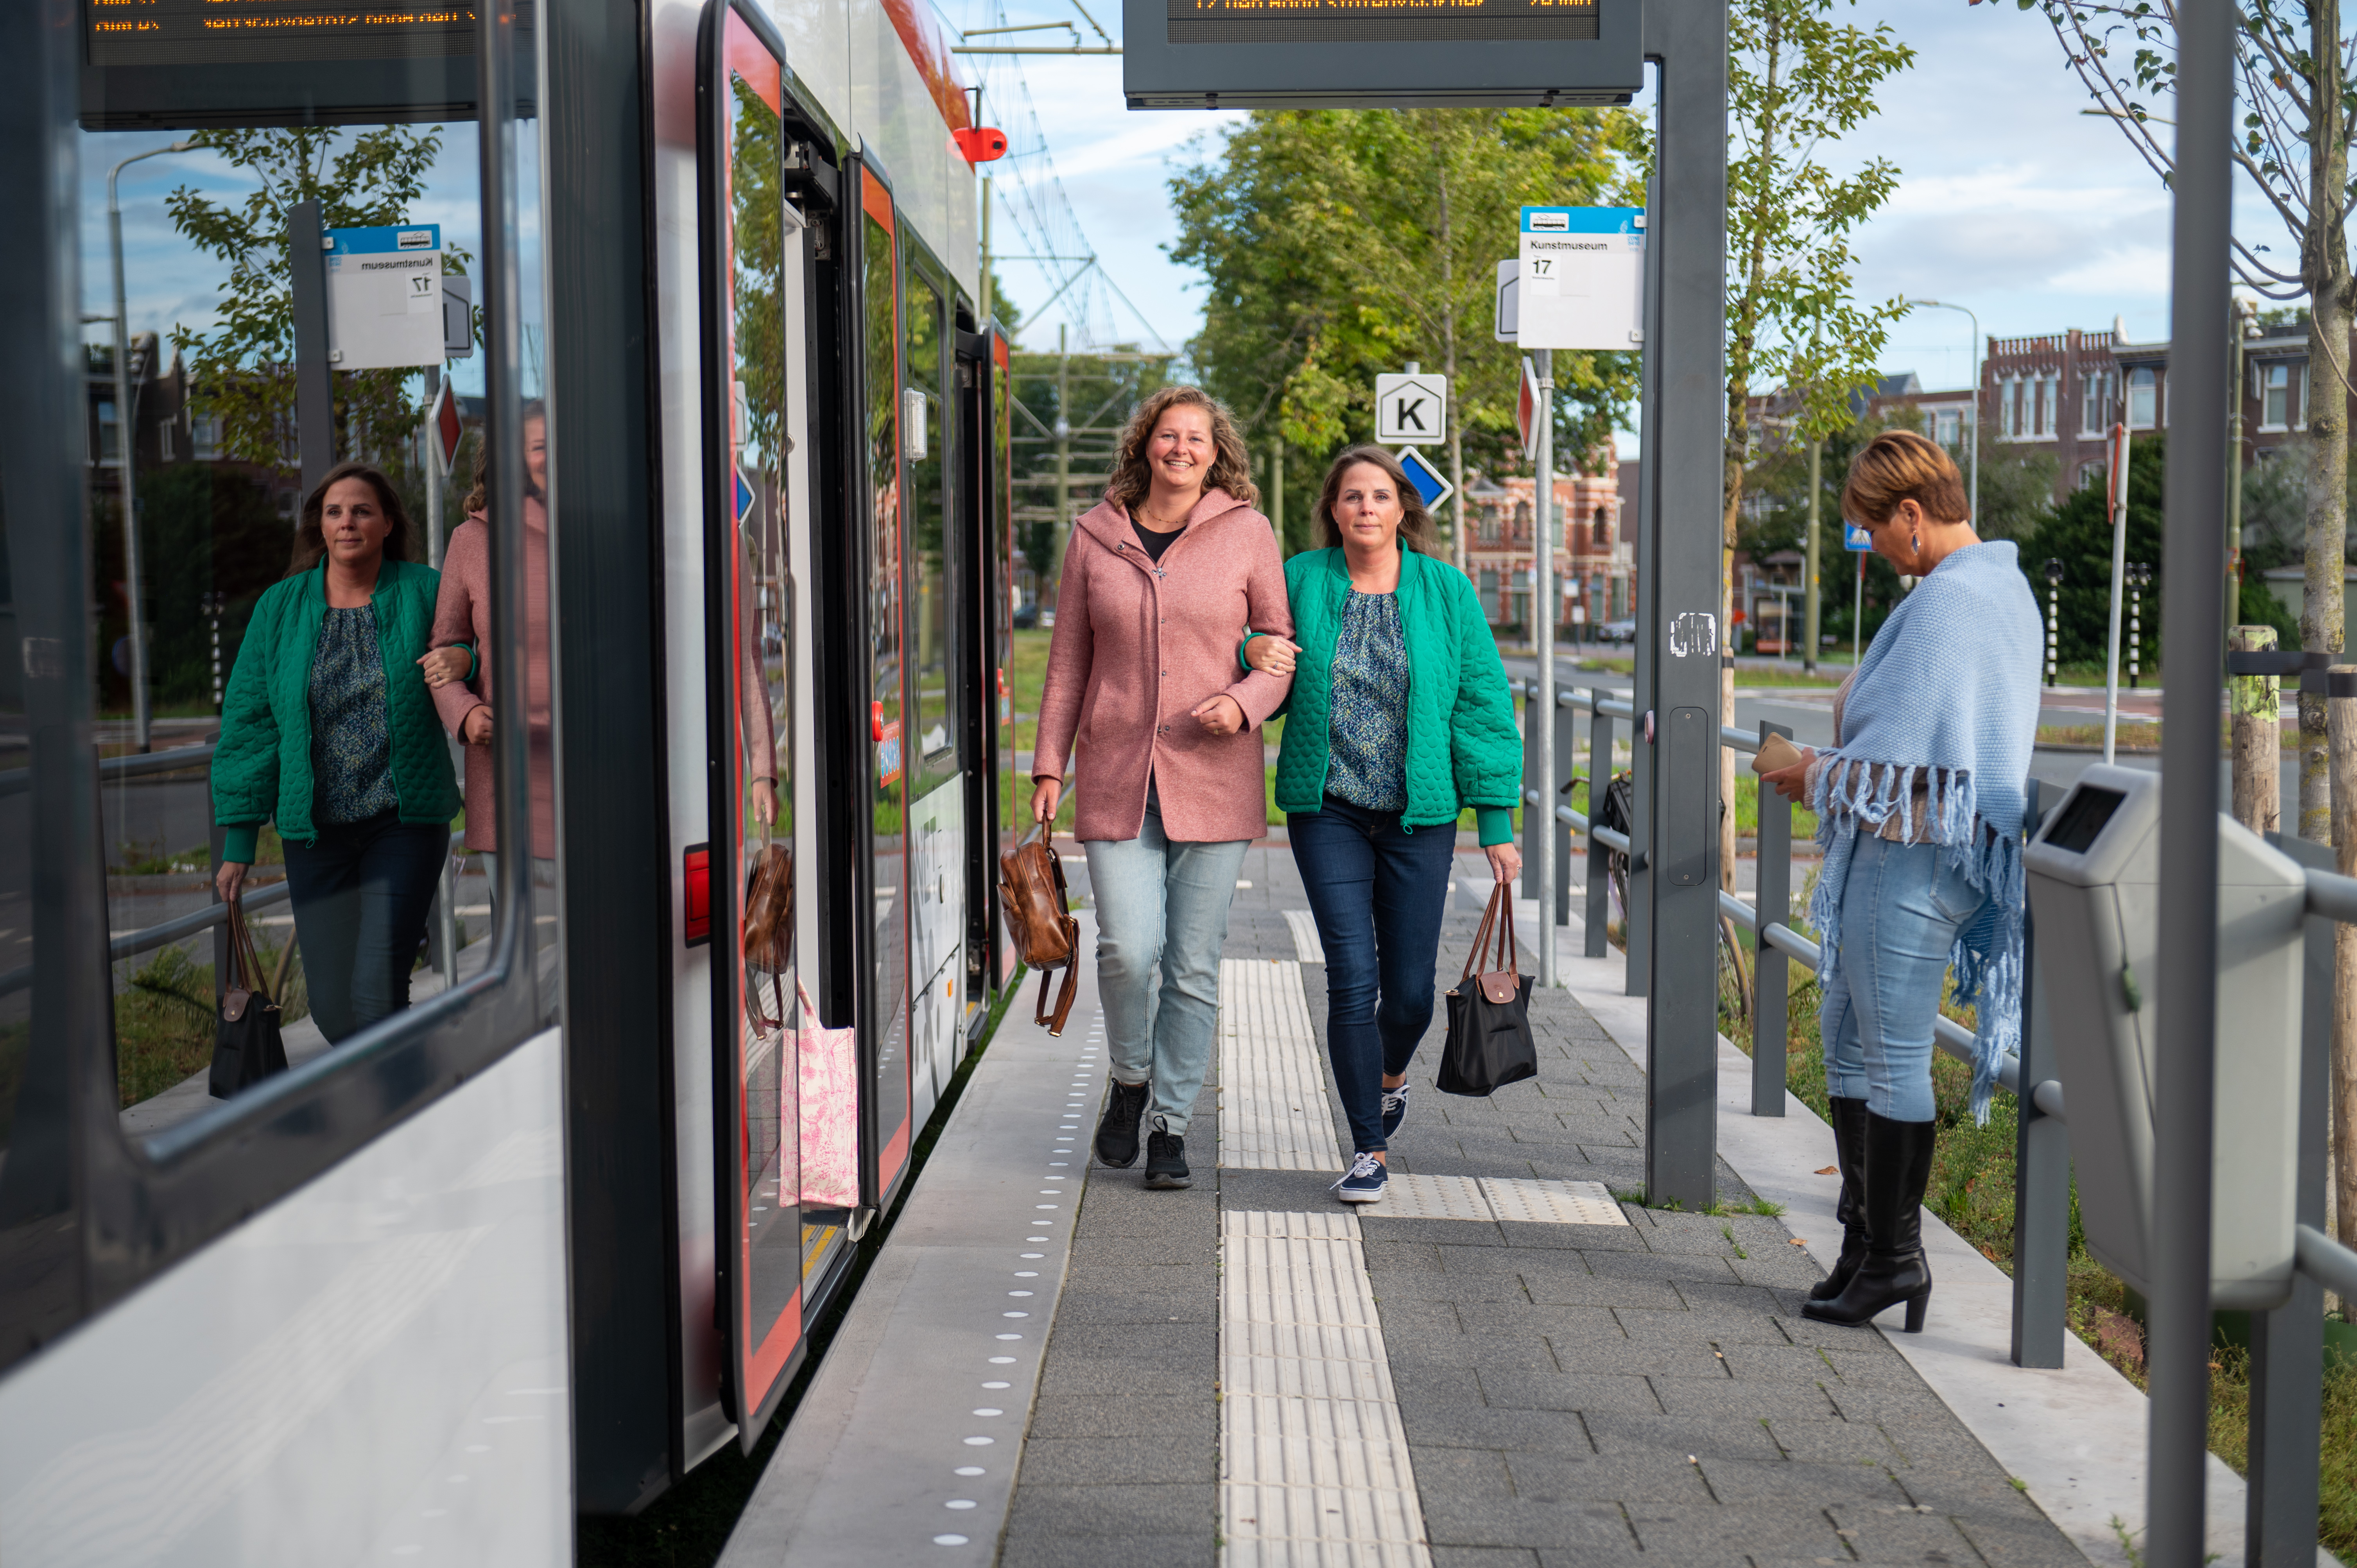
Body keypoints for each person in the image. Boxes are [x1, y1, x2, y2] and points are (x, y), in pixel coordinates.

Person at [1757, 430, 2041, 1332]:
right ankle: (1864, 1243)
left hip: (1912, 850)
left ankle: (1895, 1258)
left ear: (1911, 514)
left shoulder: (1952, 603)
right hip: (1941, 851)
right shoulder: (2002, 587)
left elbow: (1902, 750)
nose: (1873, 546)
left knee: (1890, 1054)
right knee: (1848, 1035)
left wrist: (1812, 769)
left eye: (1874, 528)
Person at [1240, 447, 1523, 1204]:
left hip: (1417, 815)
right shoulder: (1300, 578)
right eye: (1350, 496)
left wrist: (1494, 821)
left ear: (1404, 509)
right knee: (1350, 979)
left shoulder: (1446, 591)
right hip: (1325, 806)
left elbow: (1481, 705)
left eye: (1379, 496)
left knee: (1408, 996)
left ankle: (1391, 1077)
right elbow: (1245, 641)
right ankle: (1368, 1145)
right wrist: (1249, 649)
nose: (1365, 507)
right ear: (1332, 510)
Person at [1031, 386, 1294, 1191]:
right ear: (1146, 444)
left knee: (1190, 963)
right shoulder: (1094, 535)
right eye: (1169, 435)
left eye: (1198, 439)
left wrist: (1244, 704)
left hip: (1214, 774)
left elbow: (1279, 649)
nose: (1182, 448)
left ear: (1218, 454)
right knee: (1127, 947)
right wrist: (1049, 765)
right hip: (1116, 774)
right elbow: (1070, 659)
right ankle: (1131, 1078)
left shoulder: (1248, 532)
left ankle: (1172, 1125)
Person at [212, 463, 461, 1045]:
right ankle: (405, 1096)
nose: (347, 521)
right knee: (332, 1010)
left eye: (362, 510)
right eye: (334, 512)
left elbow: (470, 646)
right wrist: (239, 838)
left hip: (402, 825)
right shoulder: (280, 608)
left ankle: (398, 1124)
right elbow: (250, 722)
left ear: (387, 523)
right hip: (314, 836)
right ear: (319, 528)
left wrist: (465, 663)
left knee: (376, 995)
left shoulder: (424, 590)